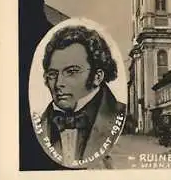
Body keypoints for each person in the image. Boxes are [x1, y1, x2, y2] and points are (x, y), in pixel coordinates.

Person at [37, 25, 126, 169]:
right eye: (53, 74)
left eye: (71, 72)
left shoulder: (121, 118)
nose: (59, 84)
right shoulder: (40, 124)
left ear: (97, 77)